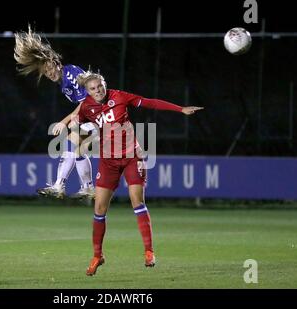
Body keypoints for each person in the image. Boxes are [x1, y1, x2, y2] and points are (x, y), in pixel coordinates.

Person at [71, 70, 203, 276]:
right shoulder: (87, 106)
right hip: (108, 161)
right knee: (99, 207)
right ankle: (98, 255)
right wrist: (78, 136)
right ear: (87, 92)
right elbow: (76, 122)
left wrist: (180, 109)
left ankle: (149, 251)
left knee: (136, 200)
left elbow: (151, 102)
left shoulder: (120, 96)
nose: (98, 91)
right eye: (93, 89)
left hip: (133, 156)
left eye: (100, 87)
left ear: (105, 85)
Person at [14, 25, 95, 199]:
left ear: (58, 64)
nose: (49, 73)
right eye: (46, 71)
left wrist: (63, 122)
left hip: (101, 115)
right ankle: (87, 187)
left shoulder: (71, 74)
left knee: (70, 141)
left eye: (51, 68)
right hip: (96, 115)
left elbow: (87, 102)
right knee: (79, 150)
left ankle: (59, 185)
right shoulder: (63, 82)